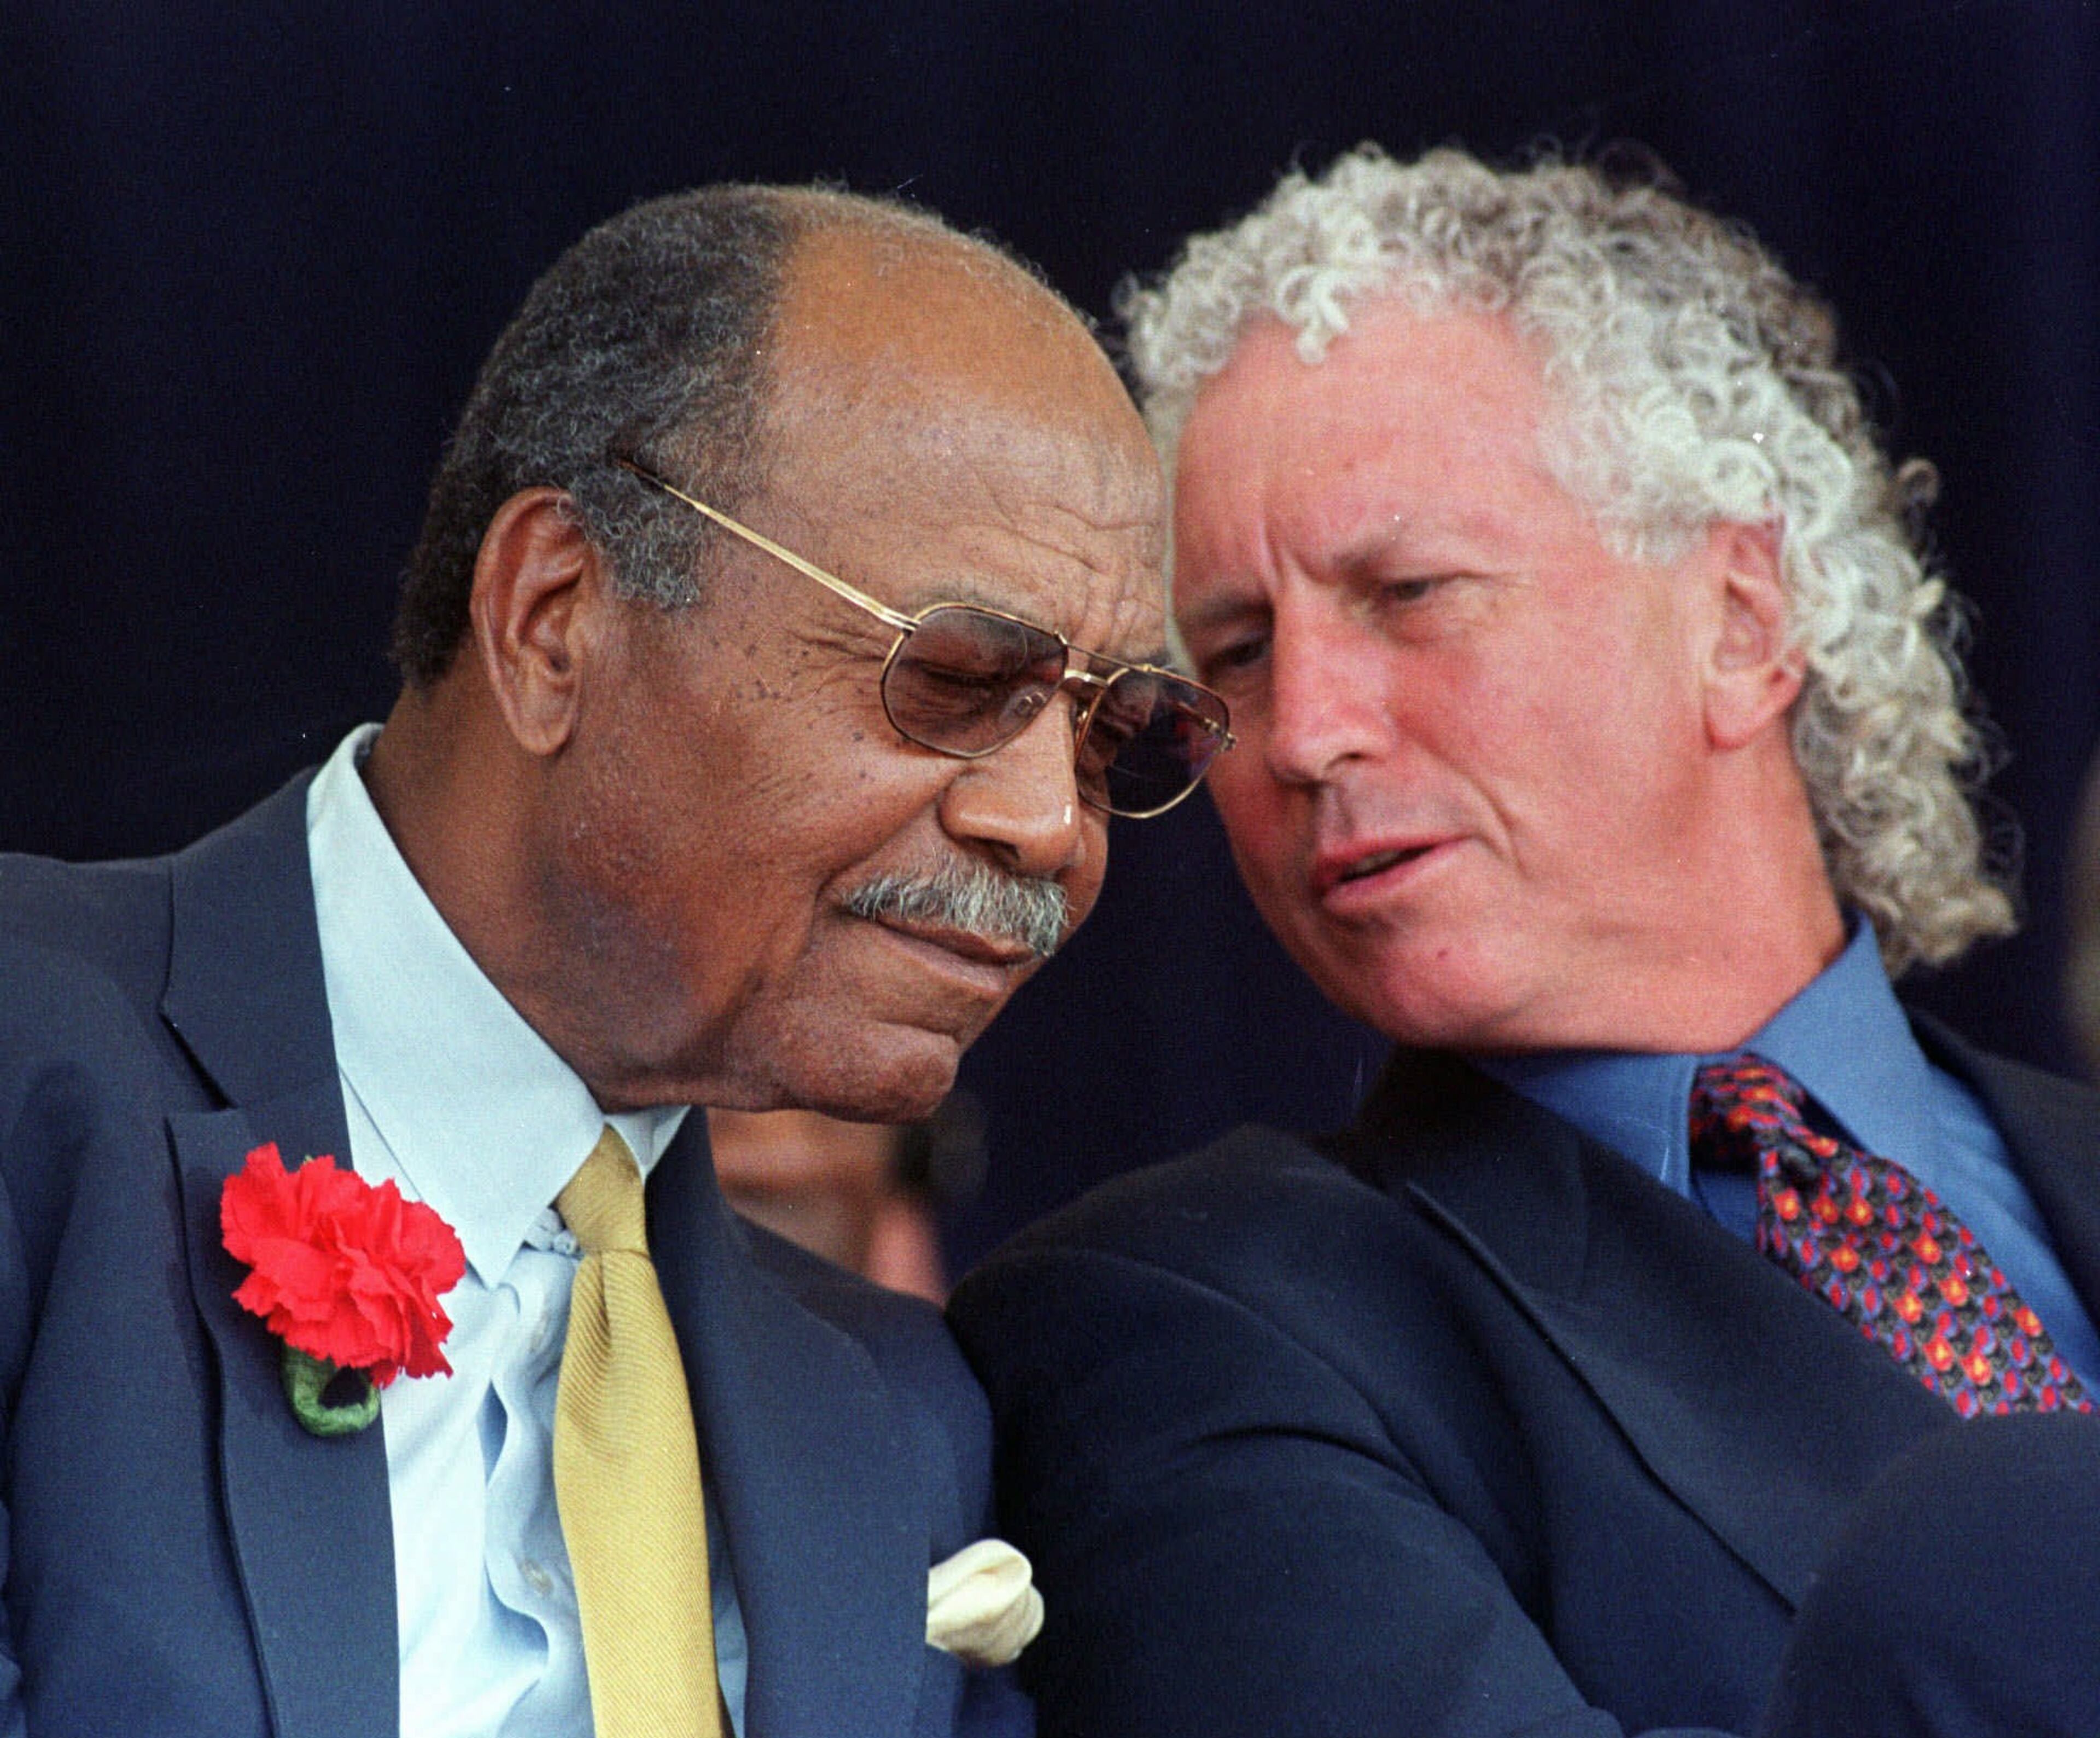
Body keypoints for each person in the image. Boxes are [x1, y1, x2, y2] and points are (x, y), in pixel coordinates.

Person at [0, 182, 1232, 1737]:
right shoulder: (33, 1068)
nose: (1050, 824)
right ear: (554, 617)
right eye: (960, 677)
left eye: (1116, 733)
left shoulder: (893, 1418)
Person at [948, 144, 2100, 1737]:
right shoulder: (1177, 1317)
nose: (1302, 733)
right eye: (1236, 651)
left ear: (1744, 621)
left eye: (1411, 591)